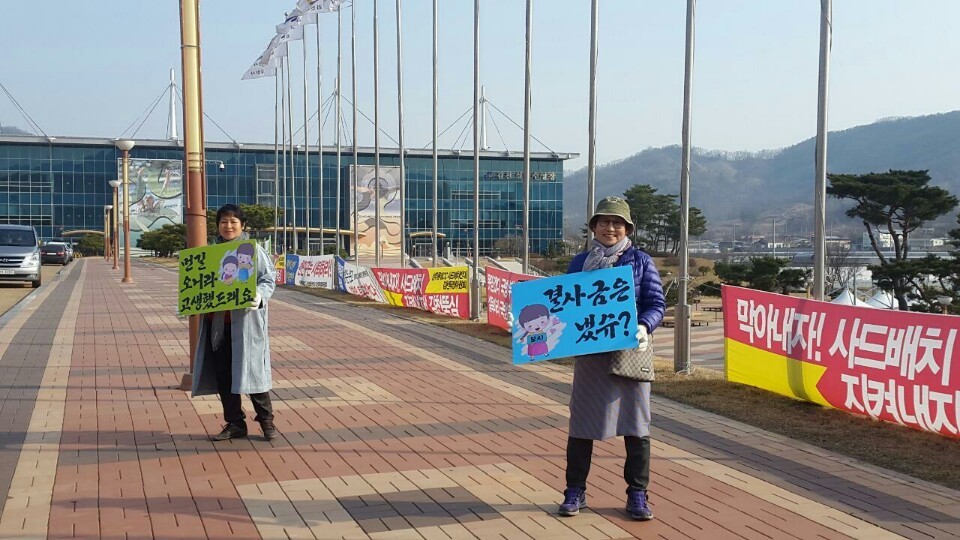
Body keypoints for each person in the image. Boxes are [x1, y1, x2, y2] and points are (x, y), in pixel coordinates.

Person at [559, 196, 665, 521]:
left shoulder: (640, 261)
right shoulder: (579, 263)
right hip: (590, 356)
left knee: (636, 427)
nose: (610, 227)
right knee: (581, 424)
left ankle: (637, 494)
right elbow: (563, 304)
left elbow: (656, 303)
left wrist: (645, 327)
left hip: (629, 355)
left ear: (627, 228)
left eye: (617, 222)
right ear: (593, 227)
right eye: (604, 221)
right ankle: (574, 490)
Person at [192, 204, 279, 441]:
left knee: (253, 373)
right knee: (224, 376)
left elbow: (268, 279)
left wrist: (260, 296)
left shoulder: (252, 250)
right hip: (218, 327)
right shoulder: (210, 253)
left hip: (246, 325)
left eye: (233, 222)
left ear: (242, 226)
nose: (228, 226)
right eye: (223, 222)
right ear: (218, 225)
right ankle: (235, 422)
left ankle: (266, 421)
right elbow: (199, 284)